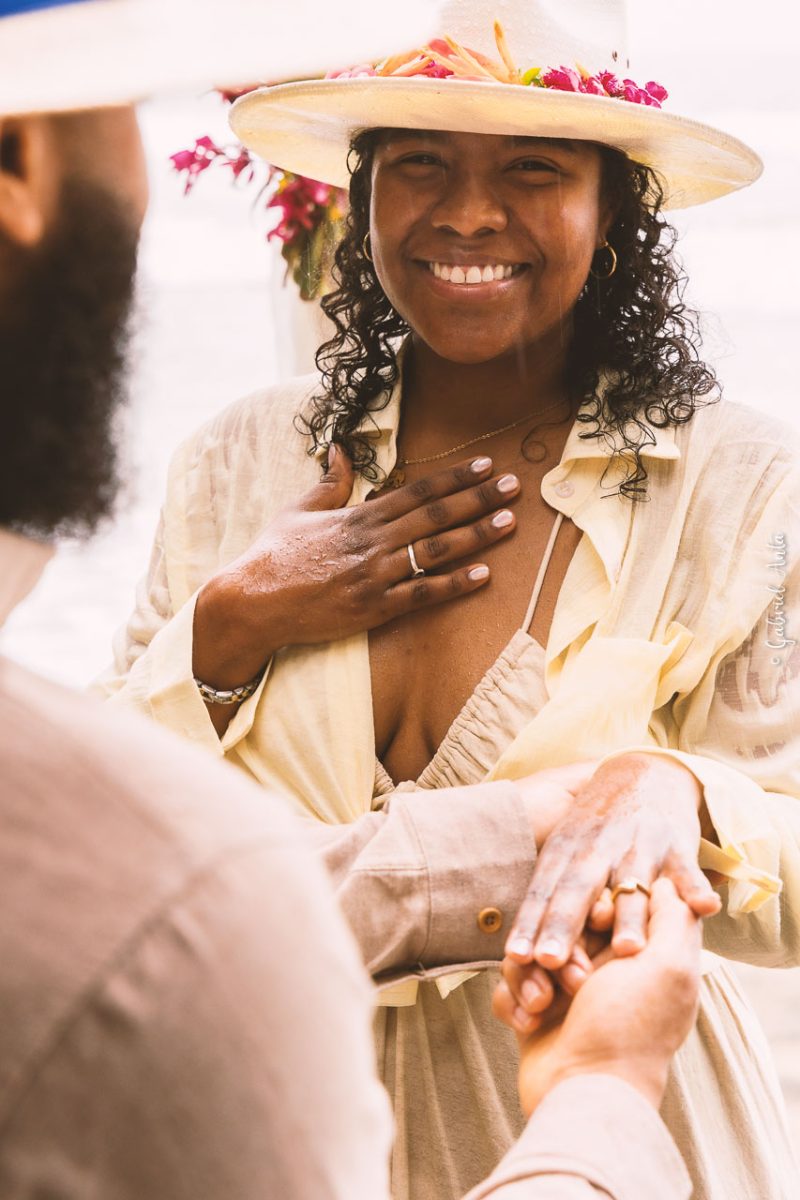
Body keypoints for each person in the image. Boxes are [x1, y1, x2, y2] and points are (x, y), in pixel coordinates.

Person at [0, 0, 709, 1197]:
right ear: (360, 194)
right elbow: (116, 835)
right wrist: (229, 625)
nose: (470, 211)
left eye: (533, 168)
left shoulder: (730, 479)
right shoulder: (239, 457)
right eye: (417, 160)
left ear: (614, 208)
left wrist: (677, 791)